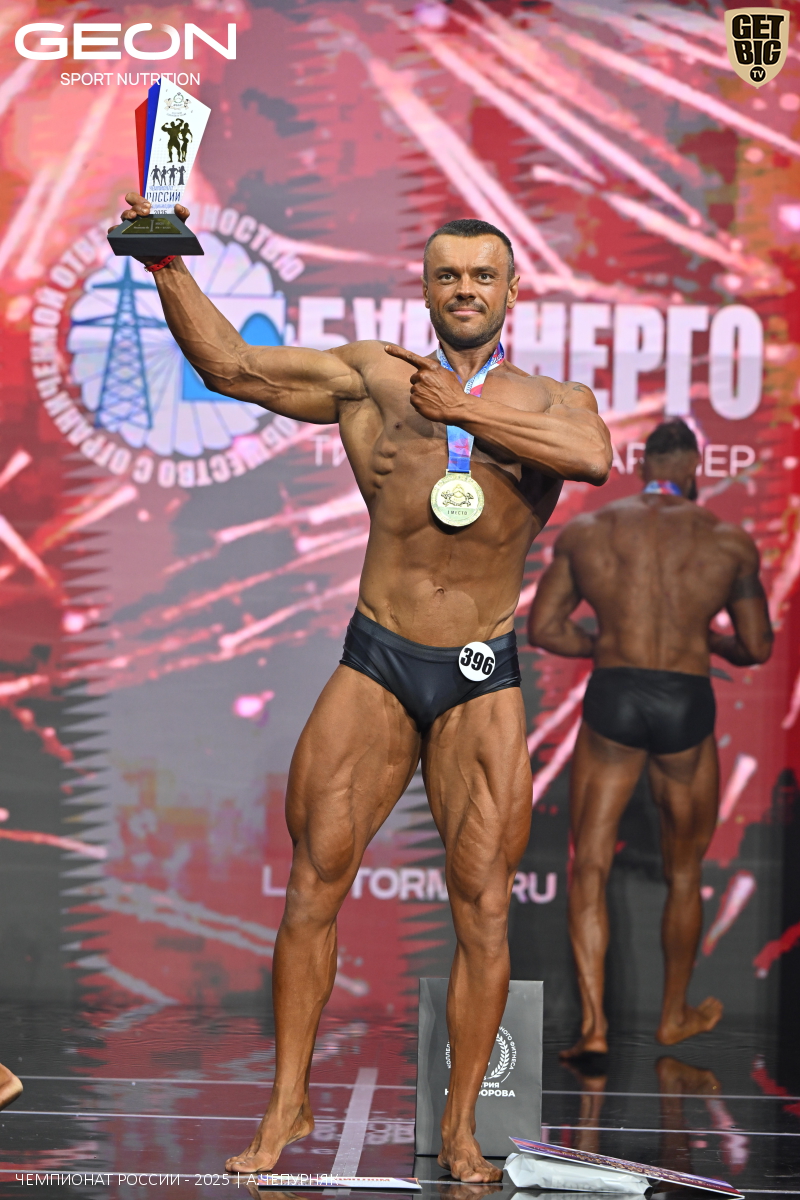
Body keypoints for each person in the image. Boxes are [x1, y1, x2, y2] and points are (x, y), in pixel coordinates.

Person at [114, 192, 612, 1180]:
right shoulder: (373, 377)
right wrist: (165, 260)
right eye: (447, 275)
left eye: (482, 276)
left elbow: (593, 460)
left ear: (512, 291)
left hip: (479, 672)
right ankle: (287, 1104)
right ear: (423, 290)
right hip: (379, 655)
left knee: (482, 907)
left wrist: (462, 411)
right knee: (313, 883)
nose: (464, 289)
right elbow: (232, 367)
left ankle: (461, 1130)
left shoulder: (556, 402)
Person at [528, 419, 773, 1057]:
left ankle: (594, 1030)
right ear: (694, 468)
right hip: (685, 700)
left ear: (643, 468)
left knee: (590, 865)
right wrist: (708, 641)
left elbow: (545, 629)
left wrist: (607, 647)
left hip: (615, 693)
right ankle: (673, 1016)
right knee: (684, 870)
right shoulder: (728, 541)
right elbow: (757, 646)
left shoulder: (590, 532)